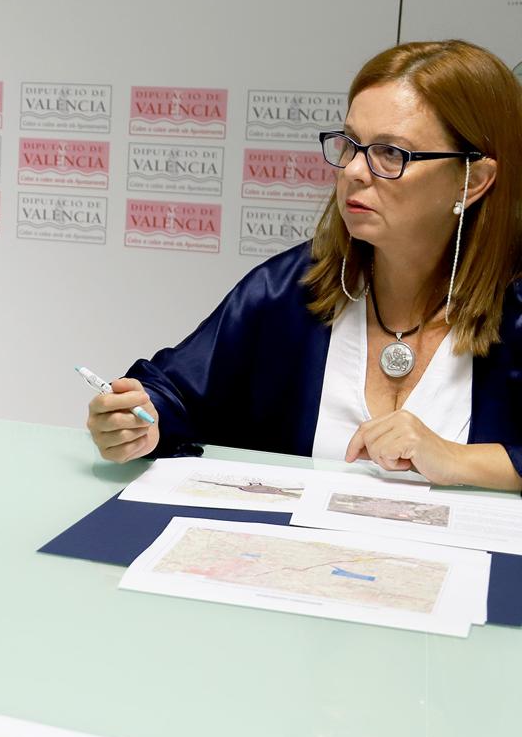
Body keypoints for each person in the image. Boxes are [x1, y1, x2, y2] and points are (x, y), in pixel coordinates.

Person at [88, 40, 522, 491]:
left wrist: (457, 459)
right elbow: (177, 390)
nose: (354, 170)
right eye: (351, 144)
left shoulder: (517, 302)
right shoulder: (288, 290)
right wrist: (141, 419)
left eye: (391, 153)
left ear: (475, 180)